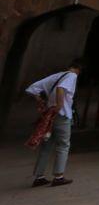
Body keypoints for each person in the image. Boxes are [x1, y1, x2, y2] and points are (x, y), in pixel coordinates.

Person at [25, 58, 83, 188]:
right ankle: (58, 176)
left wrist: (41, 101)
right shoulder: (72, 76)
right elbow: (61, 88)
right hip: (61, 115)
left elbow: (32, 89)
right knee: (63, 144)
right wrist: (59, 105)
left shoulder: (57, 76)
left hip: (49, 115)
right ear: (79, 70)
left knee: (47, 145)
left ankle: (39, 177)